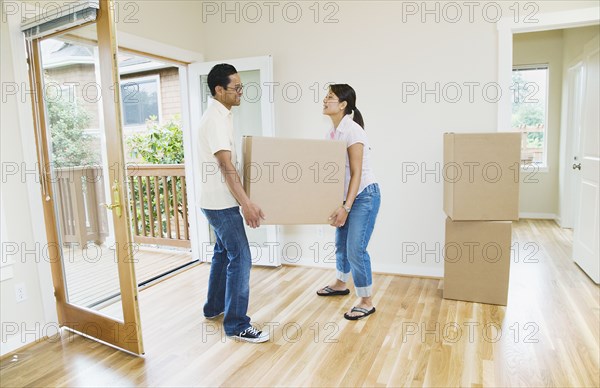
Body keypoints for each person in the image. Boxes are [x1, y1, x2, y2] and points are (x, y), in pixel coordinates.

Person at [198, 63, 269, 343]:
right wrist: (246, 204)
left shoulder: (221, 115)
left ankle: (214, 307)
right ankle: (237, 324)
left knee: (223, 253)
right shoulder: (215, 120)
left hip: (214, 200)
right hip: (221, 203)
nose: (241, 92)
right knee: (241, 257)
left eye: (241, 86)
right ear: (219, 89)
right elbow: (226, 166)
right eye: (236, 88)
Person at [317, 84, 381, 321]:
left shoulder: (353, 131)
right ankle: (340, 283)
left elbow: (355, 173)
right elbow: (334, 173)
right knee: (341, 244)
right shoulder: (331, 133)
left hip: (365, 195)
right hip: (346, 196)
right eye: (326, 96)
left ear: (343, 105)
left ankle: (366, 300)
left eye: (330, 97)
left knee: (356, 248)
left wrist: (346, 207)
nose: (325, 100)